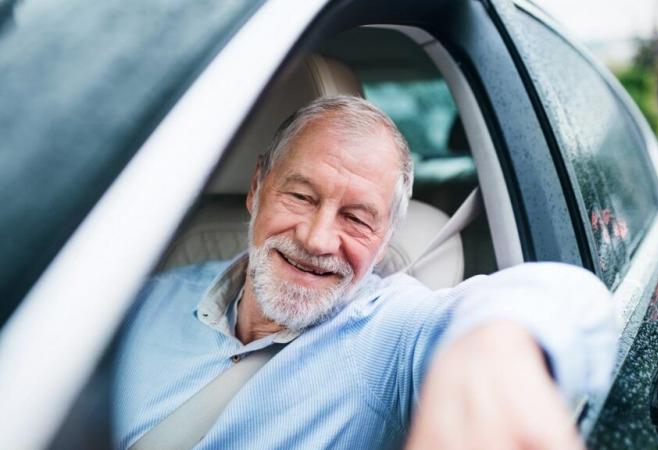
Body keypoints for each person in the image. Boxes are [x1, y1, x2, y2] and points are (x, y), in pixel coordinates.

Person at [113, 95, 616, 450]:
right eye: (301, 196)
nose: (316, 239)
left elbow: (568, 296)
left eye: (356, 218)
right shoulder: (143, 299)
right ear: (257, 189)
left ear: (384, 239)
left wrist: (495, 345)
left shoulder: (390, 333)